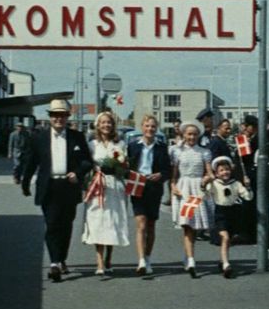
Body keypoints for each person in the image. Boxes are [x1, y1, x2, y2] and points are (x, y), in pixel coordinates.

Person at [21, 99, 93, 282]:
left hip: (68, 186)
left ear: (67, 117)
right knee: (52, 224)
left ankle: (61, 258)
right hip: (49, 186)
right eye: (55, 115)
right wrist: (25, 182)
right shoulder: (39, 137)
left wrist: (77, 173)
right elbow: (31, 161)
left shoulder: (77, 137)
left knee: (66, 225)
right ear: (50, 117)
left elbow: (87, 161)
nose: (58, 119)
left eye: (62, 115)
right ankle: (54, 263)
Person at [82, 111, 130, 275]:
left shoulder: (120, 144)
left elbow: (125, 166)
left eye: (109, 122)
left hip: (114, 185)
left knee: (112, 222)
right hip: (97, 185)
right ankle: (100, 262)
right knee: (97, 221)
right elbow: (87, 164)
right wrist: (95, 169)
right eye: (103, 122)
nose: (106, 125)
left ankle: (109, 255)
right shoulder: (92, 144)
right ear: (97, 125)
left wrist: (119, 166)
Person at [127, 114, 171, 275]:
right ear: (142, 127)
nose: (150, 129)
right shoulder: (133, 146)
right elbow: (127, 167)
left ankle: (148, 257)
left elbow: (167, 170)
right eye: (147, 126)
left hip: (154, 188)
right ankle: (141, 261)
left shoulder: (161, 147)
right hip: (137, 185)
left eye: (153, 126)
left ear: (156, 128)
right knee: (141, 224)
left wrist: (160, 175)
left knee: (151, 226)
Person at [170, 120, 213, 277]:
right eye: (189, 134)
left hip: (197, 190)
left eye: (195, 134)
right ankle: (191, 259)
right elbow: (174, 175)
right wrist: (173, 186)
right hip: (184, 189)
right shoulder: (177, 151)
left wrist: (206, 179)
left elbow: (210, 172)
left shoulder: (204, 152)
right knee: (187, 225)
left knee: (193, 226)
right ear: (184, 135)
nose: (192, 137)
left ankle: (188, 255)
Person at [201, 156, 253, 278]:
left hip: (233, 213)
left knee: (228, 239)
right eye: (221, 170)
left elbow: (248, 197)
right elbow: (205, 196)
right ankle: (226, 264)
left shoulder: (236, 184)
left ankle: (222, 260)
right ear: (216, 173)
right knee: (225, 237)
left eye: (227, 169)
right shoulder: (214, 184)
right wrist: (204, 185)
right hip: (220, 213)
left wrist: (248, 186)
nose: (225, 172)